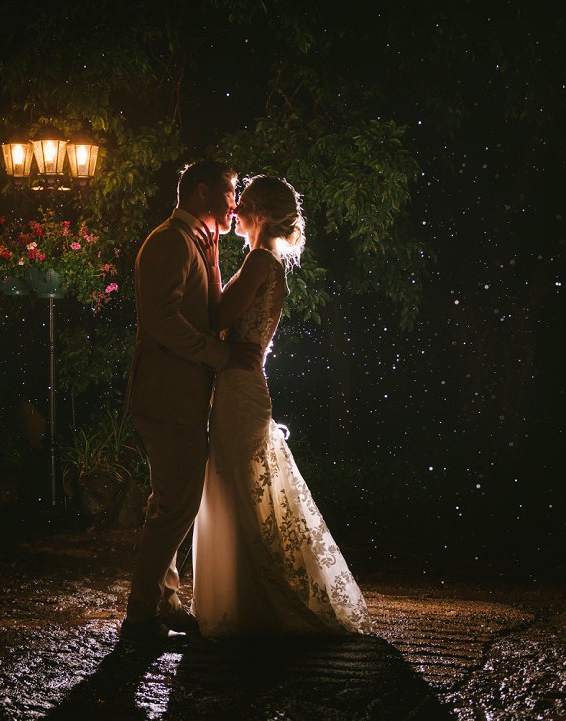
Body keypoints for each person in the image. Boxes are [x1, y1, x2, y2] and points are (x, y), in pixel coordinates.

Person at [192, 175, 372, 637]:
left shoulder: (259, 261)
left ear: (261, 214)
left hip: (239, 388)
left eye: (243, 203)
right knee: (239, 487)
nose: (234, 210)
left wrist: (210, 261)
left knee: (237, 487)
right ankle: (244, 597)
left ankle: (257, 601)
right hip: (242, 384)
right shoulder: (266, 261)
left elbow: (218, 316)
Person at [122, 160, 261, 644]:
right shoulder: (169, 241)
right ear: (202, 191)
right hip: (166, 396)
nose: (235, 203)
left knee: (171, 501)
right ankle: (140, 614)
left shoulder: (198, 241)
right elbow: (161, 321)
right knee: (177, 505)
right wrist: (221, 356)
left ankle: (163, 601)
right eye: (230, 192)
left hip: (181, 397)